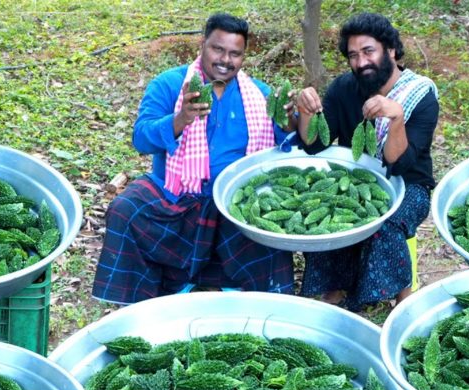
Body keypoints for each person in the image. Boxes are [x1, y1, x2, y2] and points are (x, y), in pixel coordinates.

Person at [93, 13, 297, 305]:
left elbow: (287, 141)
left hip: (234, 201)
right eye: (217, 49)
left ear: (244, 56)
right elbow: (141, 137)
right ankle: (137, 300)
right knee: (126, 209)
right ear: (203, 44)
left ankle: (252, 296)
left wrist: (291, 119)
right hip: (177, 195)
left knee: (266, 223)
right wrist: (181, 119)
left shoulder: (260, 94)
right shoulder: (169, 84)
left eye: (235, 53)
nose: (225, 59)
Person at [295, 12, 439, 311]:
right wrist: (306, 112)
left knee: (386, 222)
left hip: (409, 183)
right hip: (358, 176)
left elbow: (398, 164)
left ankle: (395, 294)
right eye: (353, 55)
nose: (361, 63)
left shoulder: (421, 96)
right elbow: (315, 144)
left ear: (391, 50)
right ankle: (332, 288)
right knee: (327, 206)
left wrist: (396, 117)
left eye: (368, 51)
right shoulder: (343, 89)